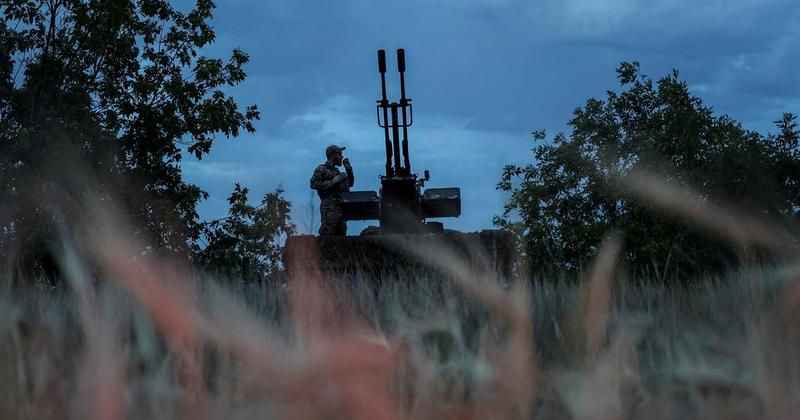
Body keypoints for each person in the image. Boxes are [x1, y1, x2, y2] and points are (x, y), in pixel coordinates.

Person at [310, 144, 354, 236]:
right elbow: (313, 184)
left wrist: (349, 171)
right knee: (327, 233)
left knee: (341, 236)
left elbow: (349, 184)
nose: (342, 156)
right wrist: (333, 182)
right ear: (332, 155)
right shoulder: (322, 169)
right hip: (329, 209)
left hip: (341, 208)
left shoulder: (337, 172)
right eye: (339, 154)